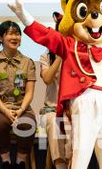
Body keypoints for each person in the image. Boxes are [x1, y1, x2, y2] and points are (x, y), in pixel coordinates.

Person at [0, 21, 37, 169]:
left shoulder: (28, 62)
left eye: (18, 34)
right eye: (10, 34)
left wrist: (21, 110)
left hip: (22, 108)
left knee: (27, 123)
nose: (15, 37)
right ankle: (6, 161)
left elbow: (29, 92)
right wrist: (5, 111)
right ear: (1, 38)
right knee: (0, 124)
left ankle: (20, 162)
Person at [39, 12, 71, 169]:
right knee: (54, 122)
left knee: (76, 123)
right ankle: (60, 166)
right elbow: (47, 79)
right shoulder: (46, 56)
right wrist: (59, 55)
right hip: (51, 109)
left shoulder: (80, 54)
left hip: (74, 110)